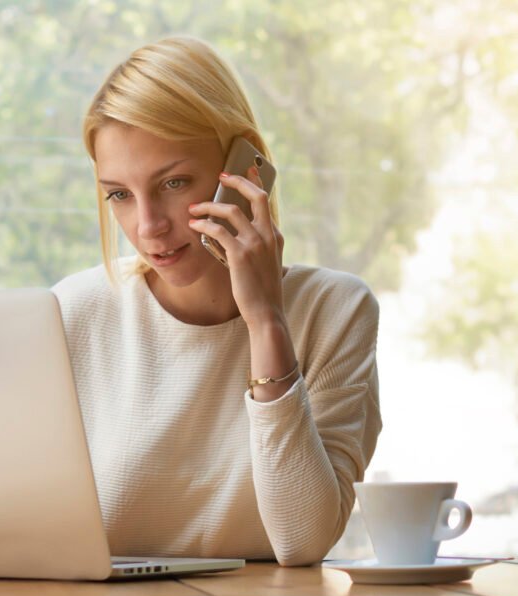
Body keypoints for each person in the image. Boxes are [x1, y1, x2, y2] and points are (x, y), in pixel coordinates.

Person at [51, 36, 381, 566]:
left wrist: (266, 321)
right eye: (119, 194)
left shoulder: (335, 310)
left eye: (174, 183)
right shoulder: (75, 311)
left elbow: (302, 540)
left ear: (247, 169)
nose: (148, 226)